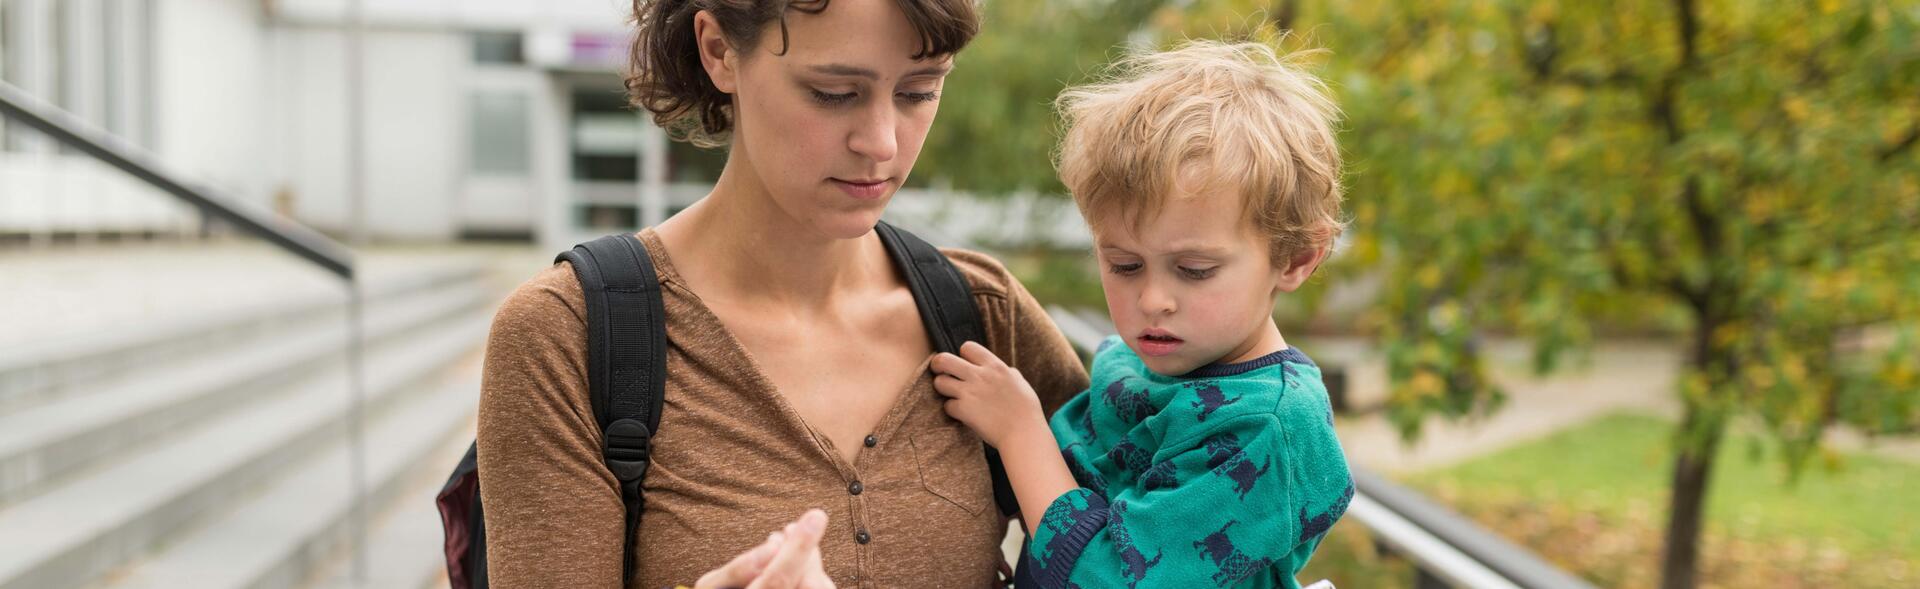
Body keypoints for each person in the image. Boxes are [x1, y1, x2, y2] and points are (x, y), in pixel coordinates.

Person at [473, 0, 1089, 586]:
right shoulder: (564, 335)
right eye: (834, 93)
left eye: (919, 91)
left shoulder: (984, 312)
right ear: (718, 51)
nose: (882, 143)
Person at [930, 40, 1355, 588]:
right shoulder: (1138, 362)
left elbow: (1114, 578)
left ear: (1295, 258)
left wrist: (1018, 431)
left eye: (1195, 269)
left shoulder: (1267, 423)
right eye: (1125, 265)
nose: (1153, 299)